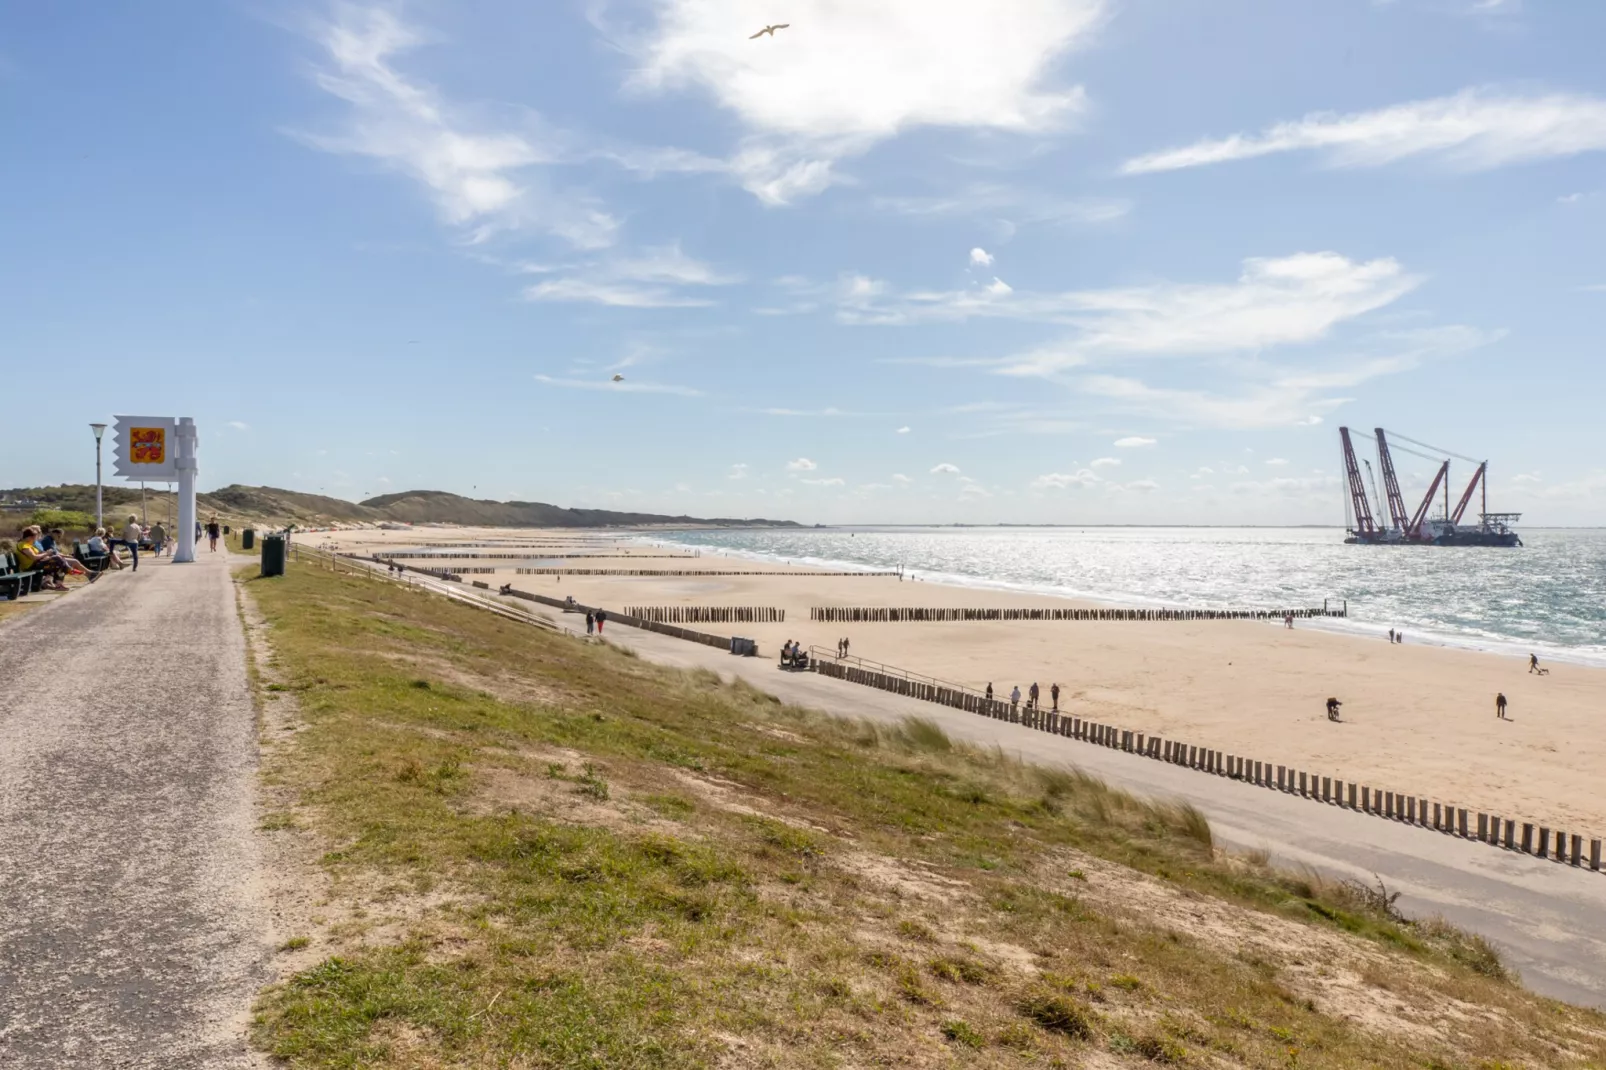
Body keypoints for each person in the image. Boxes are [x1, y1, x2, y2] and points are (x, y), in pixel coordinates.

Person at [15, 525, 86, 590]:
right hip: (31, 566)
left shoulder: (28, 544)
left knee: (58, 564)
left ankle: (60, 582)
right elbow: (34, 557)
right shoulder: (23, 545)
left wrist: (46, 555)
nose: (35, 540)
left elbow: (38, 555)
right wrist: (46, 553)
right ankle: (69, 570)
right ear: (29, 537)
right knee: (57, 559)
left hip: (37, 564)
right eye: (34, 537)